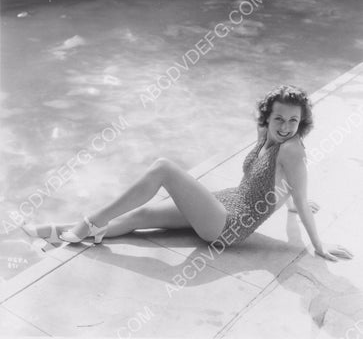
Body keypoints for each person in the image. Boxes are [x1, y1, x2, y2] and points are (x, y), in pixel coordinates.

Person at [22, 85, 353, 262]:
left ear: (302, 123)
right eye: (279, 119)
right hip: (226, 201)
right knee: (140, 215)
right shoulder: (267, 133)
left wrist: (318, 246)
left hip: (228, 227)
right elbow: (282, 186)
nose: (285, 127)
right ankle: (52, 232)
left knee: (164, 167)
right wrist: (293, 205)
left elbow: (296, 187)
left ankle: (89, 222)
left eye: (293, 121)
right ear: (268, 118)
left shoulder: (293, 149)